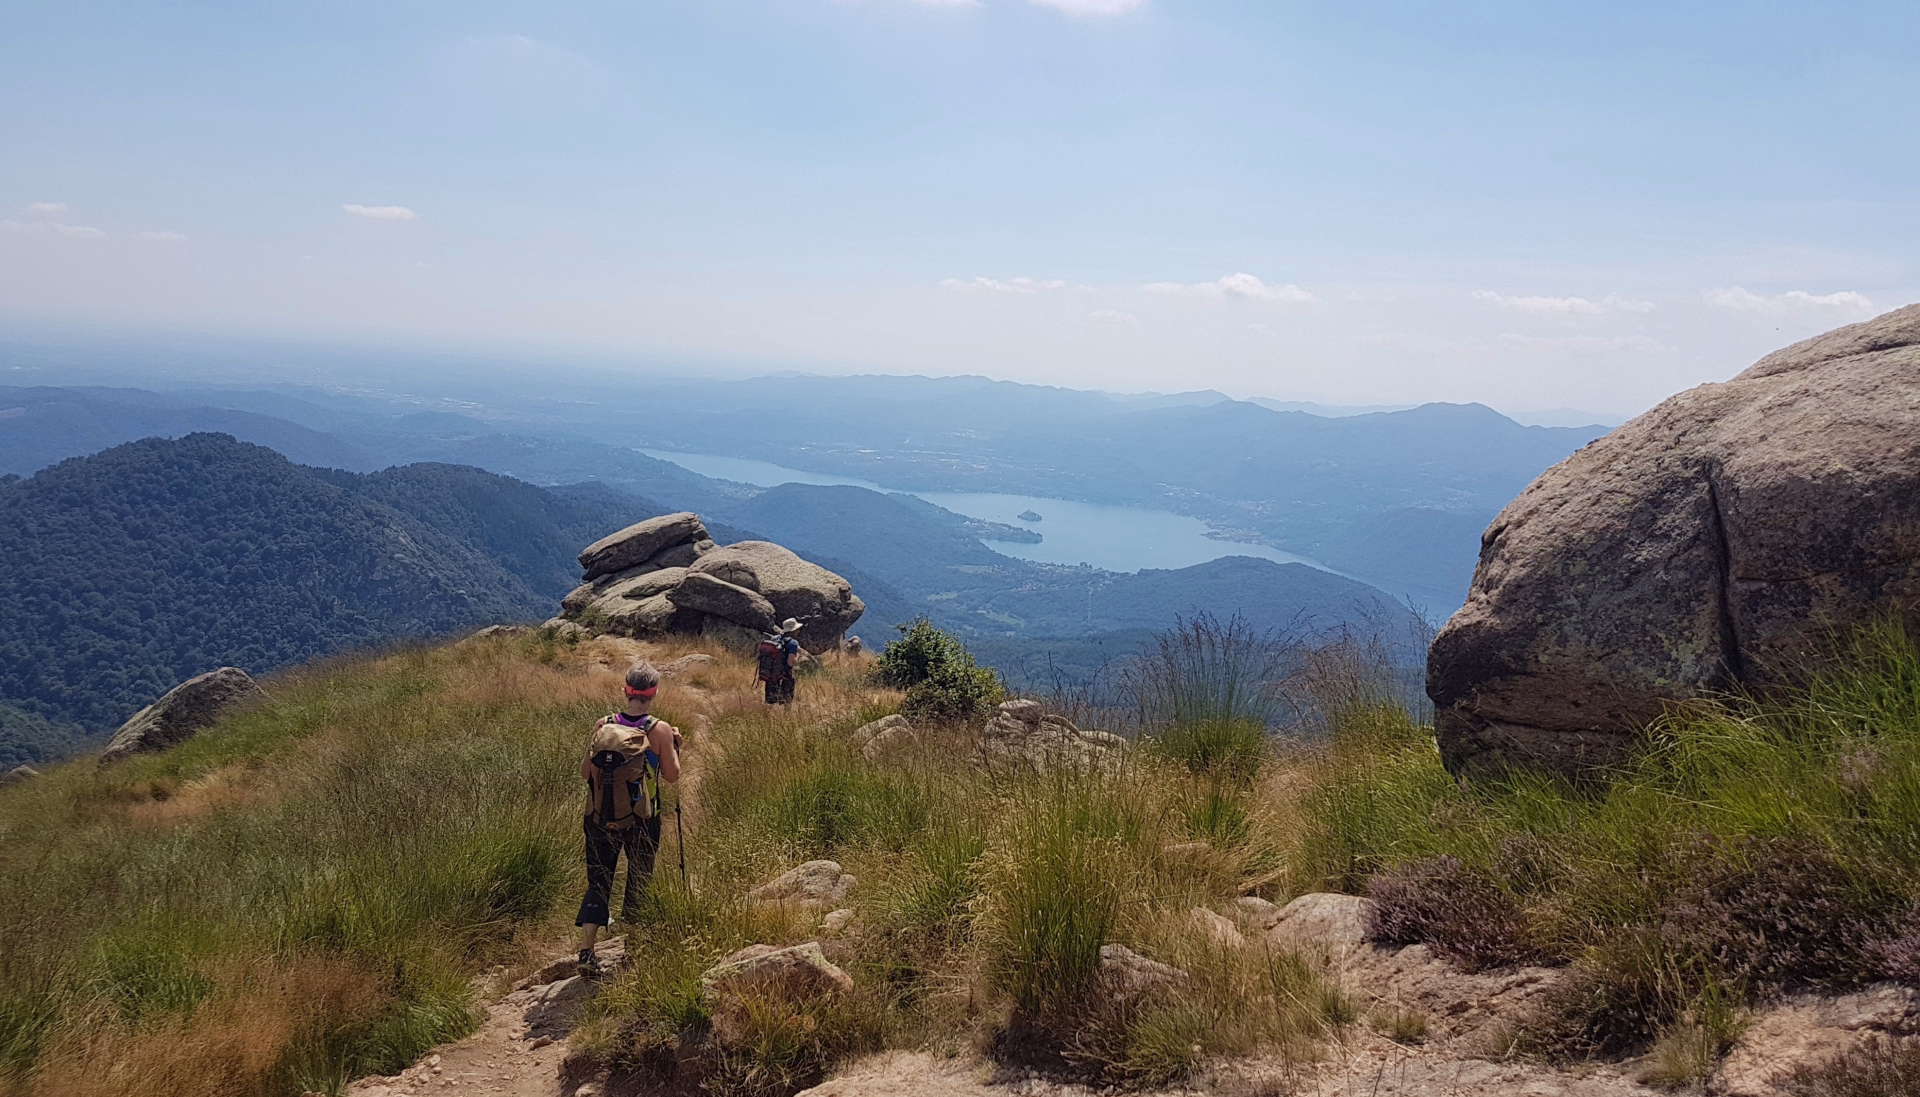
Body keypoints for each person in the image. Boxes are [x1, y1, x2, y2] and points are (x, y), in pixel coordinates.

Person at [575, 662, 681, 976]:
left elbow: (585, 773)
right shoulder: (659, 729)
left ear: (626, 691)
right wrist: (675, 746)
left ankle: (586, 951)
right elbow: (672, 776)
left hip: (599, 817)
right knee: (639, 878)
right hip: (643, 820)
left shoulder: (603, 725)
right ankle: (632, 951)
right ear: (653, 694)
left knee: (599, 879)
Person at [756, 618, 803, 705]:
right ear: (792, 631)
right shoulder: (793, 643)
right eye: (797, 629)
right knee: (786, 701)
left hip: (771, 672)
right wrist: (799, 653)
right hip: (785, 675)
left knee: (770, 701)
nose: (798, 631)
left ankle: (767, 713)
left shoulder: (775, 638)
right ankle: (785, 713)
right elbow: (790, 663)